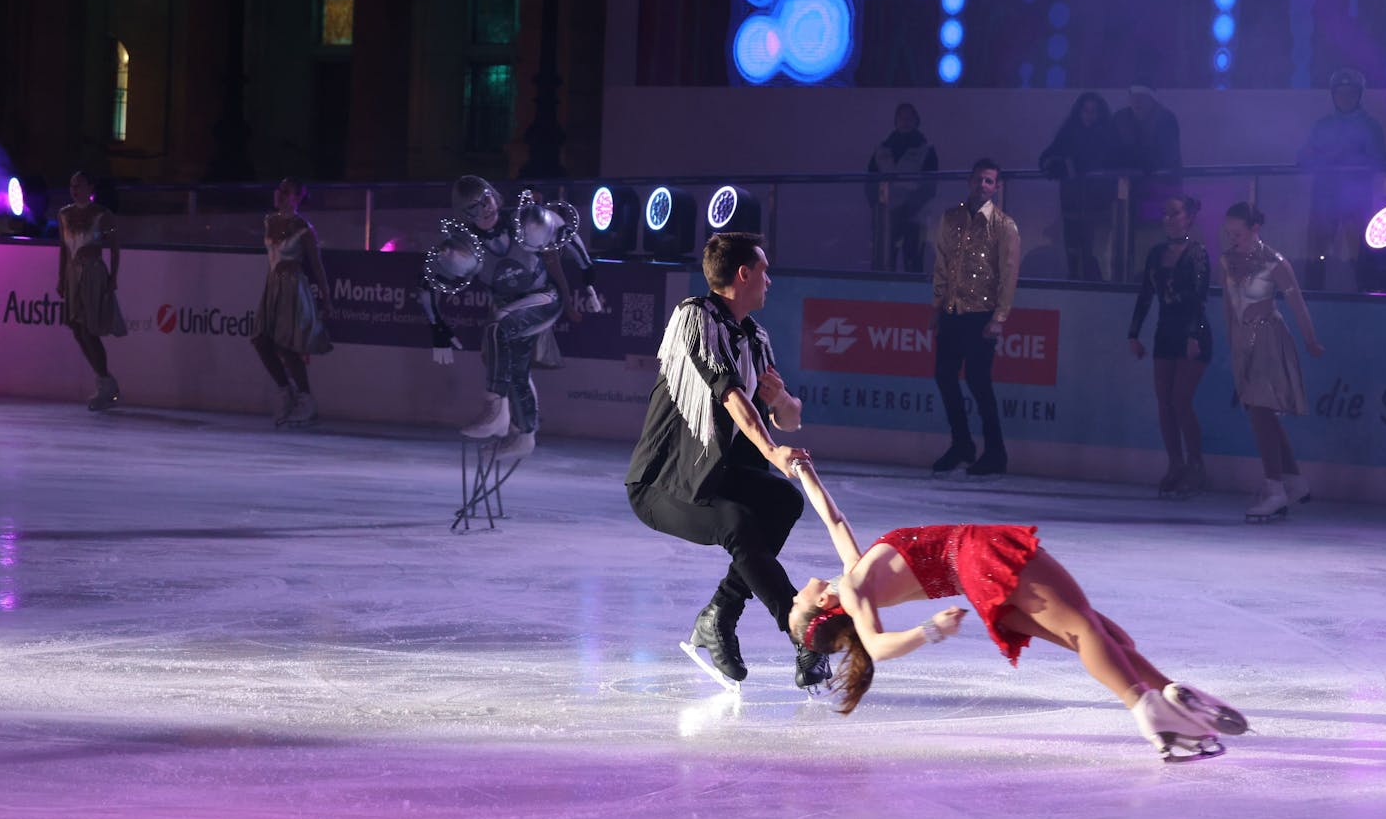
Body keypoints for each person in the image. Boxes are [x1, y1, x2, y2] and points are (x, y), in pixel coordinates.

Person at [786, 458, 1245, 762]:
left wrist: (802, 469)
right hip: (976, 557)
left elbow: (835, 519)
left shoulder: (853, 575)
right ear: (823, 607)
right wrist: (930, 630)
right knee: (1087, 631)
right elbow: (878, 647)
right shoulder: (859, 592)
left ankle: (1168, 693)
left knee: (1109, 636)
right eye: (796, 606)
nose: (792, 596)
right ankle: (1153, 716)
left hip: (976, 579)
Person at [625, 232, 831, 693]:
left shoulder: (755, 337)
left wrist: (782, 400)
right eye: (764, 272)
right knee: (738, 523)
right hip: (664, 482)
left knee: (783, 502)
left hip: (714, 477)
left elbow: (789, 417)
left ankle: (719, 615)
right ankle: (802, 632)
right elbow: (734, 398)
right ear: (743, 274)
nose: (769, 282)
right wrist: (771, 450)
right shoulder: (693, 317)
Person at [451, 175, 581, 460]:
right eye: (474, 207)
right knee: (515, 369)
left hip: (542, 299)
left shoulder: (524, 221)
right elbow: (435, 276)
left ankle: (495, 407)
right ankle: (524, 434)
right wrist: (437, 325)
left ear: (494, 196)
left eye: (486, 199)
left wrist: (580, 284)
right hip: (508, 307)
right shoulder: (468, 243)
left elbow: (562, 236)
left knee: (498, 327)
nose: (485, 208)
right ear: (465, 213)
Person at [1218, 203, 1325, 522]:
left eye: (1238, 233)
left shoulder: (1274, 263)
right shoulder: (1227, 261)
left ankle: (1275, 488)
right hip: (1243, 341)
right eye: (1229, 233)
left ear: (1255, 229)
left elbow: (1298, 306)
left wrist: (1310, 341)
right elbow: (1228, 305)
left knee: (1262, 412)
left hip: (1269, 340)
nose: (1233, 239)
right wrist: (1232, 343)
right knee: (1260, 412)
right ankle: (1294, 481)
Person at [930, 159, 1020, 476]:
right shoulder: (951, 218)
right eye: (979, 179)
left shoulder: (1003, 226)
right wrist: (938, 306)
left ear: (997, 187)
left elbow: (1008, 275)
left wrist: (1000, 317)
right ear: (970, 181)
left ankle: (996, 451)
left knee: (979, 382)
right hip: (952, 311)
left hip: (982, 316)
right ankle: (962, 443)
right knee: (944, 376)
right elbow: (941, 264)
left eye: (989, 181)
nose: (982, 185)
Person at [1128, 196, 1213, 496]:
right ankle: (1175, 464)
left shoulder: (1198, 253)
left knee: (1180, 400)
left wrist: (1192, 336)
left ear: (1189, 217)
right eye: (1165, 213)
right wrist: (1133, 334)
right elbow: (1145, 295)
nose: (1168, 219)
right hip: (1165, 333)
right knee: (1164, 403)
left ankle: (1196, 465)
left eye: (1174, 213)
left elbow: (1199, 299)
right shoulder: (1156, 253)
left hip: (1193, 333)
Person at [250, 177, 334, 427]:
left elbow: (317, 266)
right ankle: (286, 391)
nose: (280, 193)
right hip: (273, 286)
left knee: (287, 346)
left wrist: (326, 298)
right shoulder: (269, 221)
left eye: (286, 191)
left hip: (293, 287)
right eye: (279, 189)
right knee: (261, 340)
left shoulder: (304, 228)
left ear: (297, 198)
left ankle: (306, 400)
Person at [1296, 68, 1386, 292]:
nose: (1345, 98)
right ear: (1333, 95)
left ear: (1359, 95)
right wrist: (1328, 158)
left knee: (1362, 254)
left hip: (1357, 200)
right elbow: (1302, 158)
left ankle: (1370, 299)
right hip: (1324, 199)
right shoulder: (1323, 126)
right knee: (1316, 255)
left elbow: (1381, 161)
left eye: (1350, 92)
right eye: (1340, 93)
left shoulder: (1370, 126)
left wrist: (1353, 158)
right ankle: (1313, 299)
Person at [56, 171, 127, 410]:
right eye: (71, 185)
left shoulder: (102, 215)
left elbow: (115, 247)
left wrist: (113, 277)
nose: (75, 189)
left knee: (88, 328)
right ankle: (104, 380)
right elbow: (63, 249)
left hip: (93, 273)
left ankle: (105, 381)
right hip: (72, 274)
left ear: (90, 187)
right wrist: (60, 279)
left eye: (79, 185)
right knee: (77, 328)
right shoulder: (64, 214)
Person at [1039, 92, 1121, 281]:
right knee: (1074, 255)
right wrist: (1057, 165)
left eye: (1094, 111)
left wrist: (1071, 164)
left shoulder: (1108, 136)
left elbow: (1107, 161)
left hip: (1100, 209)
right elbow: (1045, 158)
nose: (1089, 115)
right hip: (1073, 207)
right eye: (1086, 111)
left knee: (1099, 256)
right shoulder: (1070, 132)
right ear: (1079, 112)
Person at [1113, 85, 1183, 270]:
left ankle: (1158, 273)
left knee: (1157, 238)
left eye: (1142, 97)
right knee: (1128, 239)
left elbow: (1167, 156)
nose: (1137, 101)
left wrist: (1141, 162)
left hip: (1159, 194)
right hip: (1129, 196)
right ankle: (1131, 273)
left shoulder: (1166, 120)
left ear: (1152, 100)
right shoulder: (1120, 119)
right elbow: (1111, 151)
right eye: (1134, 97)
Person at [866, 102, 939, 273]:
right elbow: (869, 183)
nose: (905, 121)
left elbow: (929, 188)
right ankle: (880, 298)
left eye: (909, 117)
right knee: (882, 265)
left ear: (916, 121)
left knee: (912, 265)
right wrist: (878, 207)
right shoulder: (881, 149)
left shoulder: (926, 150)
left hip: (914, 218)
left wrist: (908, 208)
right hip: (885, 216)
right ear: (895, 120)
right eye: (901, 117)